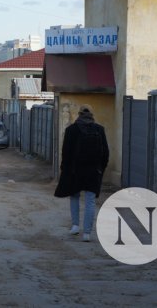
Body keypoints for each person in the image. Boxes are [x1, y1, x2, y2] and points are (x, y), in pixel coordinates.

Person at [54, 104, 109, 242]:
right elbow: (106, 153)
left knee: (74, 197)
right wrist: (100, 169)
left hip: (75, 171)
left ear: (78, 114)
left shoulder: (71, 130)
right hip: (93, 171)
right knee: (90, 201)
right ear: (92, 114)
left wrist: (64, 170)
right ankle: (87, 234)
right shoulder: (99, 130)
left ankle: (75, 226)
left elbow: (66, 152)